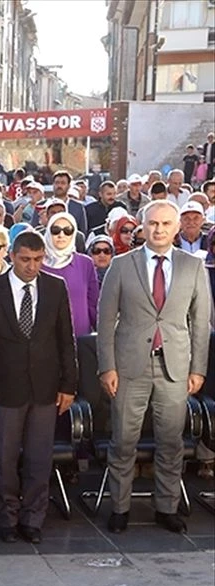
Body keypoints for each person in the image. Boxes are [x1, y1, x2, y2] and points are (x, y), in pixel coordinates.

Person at [98, 200, 211, 535]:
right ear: (141, 227)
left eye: (165, 224)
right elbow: (105, 322)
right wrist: (107, 366)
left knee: (171, 442)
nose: (158, 230)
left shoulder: (193, 267)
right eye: (152, 224)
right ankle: (119, 508)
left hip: (175, 366)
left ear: (176, 228)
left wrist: (198, 368)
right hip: (129, 366)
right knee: (123, 441)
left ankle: (167, 507)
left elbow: (200, 323)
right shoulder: (121, 265)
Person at [0, 230, 78, 543]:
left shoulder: (55, 288)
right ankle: (8, 517)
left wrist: (68, 385)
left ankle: (33, 518)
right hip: (4, 391)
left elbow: (65, 340)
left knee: (39, 457)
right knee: (3, 458)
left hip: (46, 389)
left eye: (38, 260)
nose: (32, 266)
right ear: (12, 257)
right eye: (26, 259)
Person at [42, 212, 99, 336]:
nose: (61, 235)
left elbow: (93, 303)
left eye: (67, 230)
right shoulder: (37, 264)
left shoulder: (85, 263)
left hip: (79, 337)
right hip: (45, 338)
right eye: (55, 230)